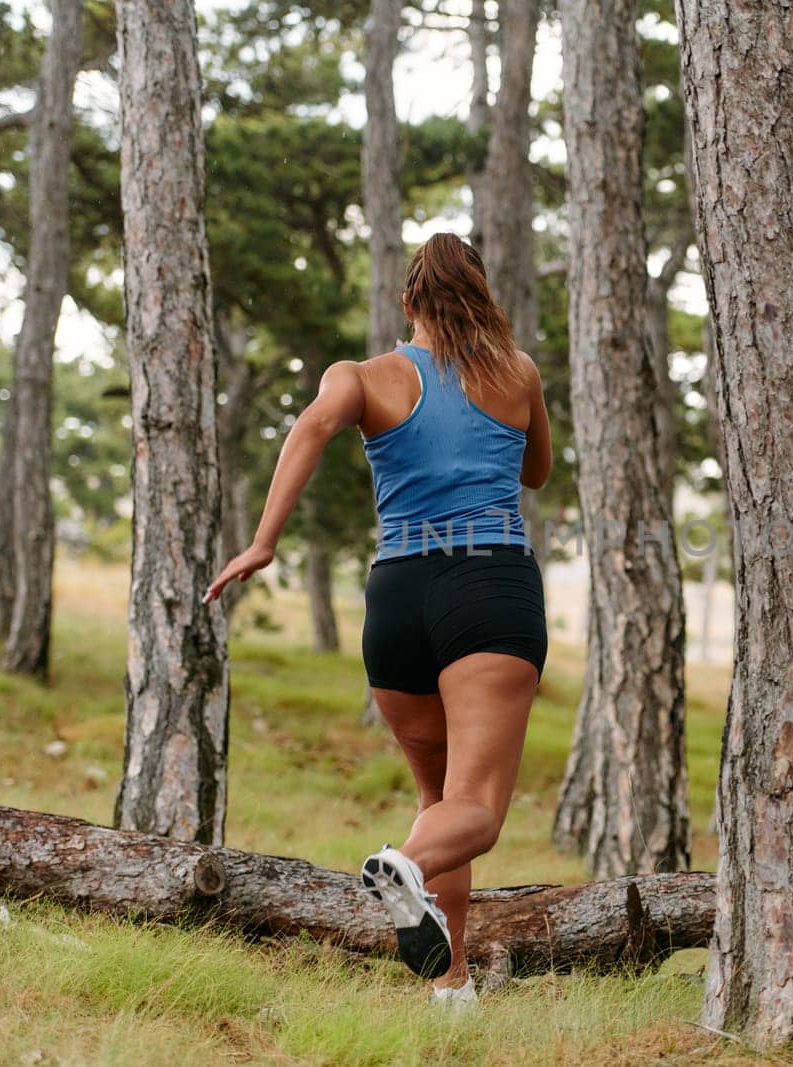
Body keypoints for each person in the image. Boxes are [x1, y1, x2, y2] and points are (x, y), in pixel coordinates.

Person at [205, 232, 552, 1009]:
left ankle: (452, 987)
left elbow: (311, 429)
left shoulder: (362, 377)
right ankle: (404, 867)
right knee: (477, 812)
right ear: (481, 297)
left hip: (396, 594)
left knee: (440, 799)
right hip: (488, 585)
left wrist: (264, 542)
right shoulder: (517, 372)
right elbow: (536, 469)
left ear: (407, 302)